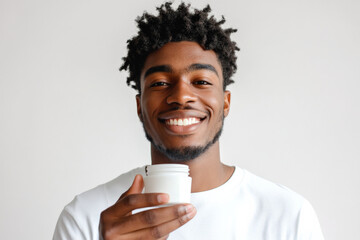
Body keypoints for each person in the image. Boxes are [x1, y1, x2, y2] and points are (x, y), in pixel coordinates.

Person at [53, 2, 324, 240]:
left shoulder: (289, 215)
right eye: (160, 83)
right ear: (139, 106)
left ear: (226, 102)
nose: (182, 96)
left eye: (202, 81)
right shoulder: (87, 217)